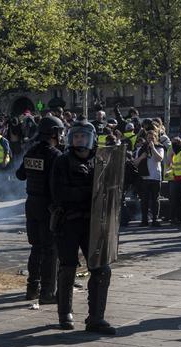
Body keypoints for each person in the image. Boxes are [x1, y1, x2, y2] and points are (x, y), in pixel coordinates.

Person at [51, 121, 116, 335]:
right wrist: (91, 192)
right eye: (76, 136)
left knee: (101, 269)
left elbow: (121, 180)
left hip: (93, 224)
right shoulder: (61, 161)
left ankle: (96, 318)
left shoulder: (100, 160)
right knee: (68, 267)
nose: (79, 140)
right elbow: (61, 193)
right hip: (69, 222)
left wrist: (115, 151)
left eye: (83, 136)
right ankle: (64, 314)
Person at [15, 116, 64, 303]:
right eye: (59, 132)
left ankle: (32, 288)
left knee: (36, 248)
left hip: (31, 204)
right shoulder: (55, 155)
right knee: (50, 250)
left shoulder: (31, 152)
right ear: (53, 133)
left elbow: (20, 175)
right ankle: (47, 292)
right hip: (48, 207)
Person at [134, 130, 164, 227]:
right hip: (144, 177)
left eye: (152, 138)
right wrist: (142, 157)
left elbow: (160, 158)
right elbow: (135, 163)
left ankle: (155, 219)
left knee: (155, 199)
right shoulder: (141, 149)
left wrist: (153, 148)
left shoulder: (159, 147)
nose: (150, 139)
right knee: (144, 200)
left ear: (156, 138)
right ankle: (144, 219)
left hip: (155, 177)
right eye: (149, 138)